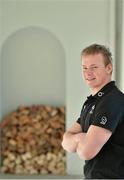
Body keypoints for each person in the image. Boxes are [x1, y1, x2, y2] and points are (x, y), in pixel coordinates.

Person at [62, 44, 124, 179]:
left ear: (109, 68)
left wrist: (79, 141)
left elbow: (86, 151)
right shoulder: (92, 102)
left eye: (94, 67)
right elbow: (66, 142)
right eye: (84, 68)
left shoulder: (112, 101)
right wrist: (80, 138)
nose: (88, 73)